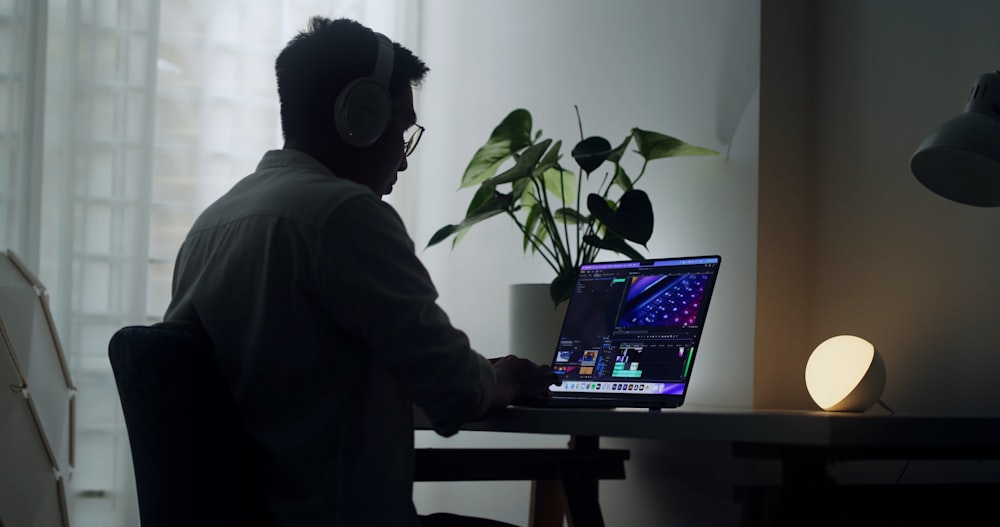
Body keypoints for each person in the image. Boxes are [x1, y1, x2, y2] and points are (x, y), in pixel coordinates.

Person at [163, 16, 557, 527]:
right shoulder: (344, 215)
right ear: (361, 115)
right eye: (403, 128)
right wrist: (500, 379)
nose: (405, 157)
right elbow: (455, 389)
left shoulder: (210, 226)